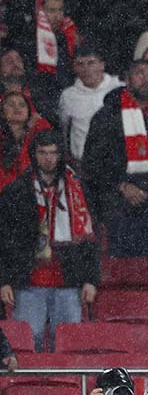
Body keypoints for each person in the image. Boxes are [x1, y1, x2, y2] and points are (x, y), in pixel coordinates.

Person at [0, 131, 98, 351]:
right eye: (42, 152)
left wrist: (90, 279)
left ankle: (70, 387)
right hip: (28, 282)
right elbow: (4, 240)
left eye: (53, 153)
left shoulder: (78, 191)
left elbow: (90, 241)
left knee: (69, 345)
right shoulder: (16, 191)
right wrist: (4, 280)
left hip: (68, 281)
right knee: (26, 344)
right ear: (33, 154)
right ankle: (26, 387)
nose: (48, 158)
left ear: (61, 155)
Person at [81, 59, 148, 258]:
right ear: (127, 79)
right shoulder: (107, 116)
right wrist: (121, 186)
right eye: (140, 73)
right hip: (119, 210)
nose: (146, 79)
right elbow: (92, 164)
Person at [57, 45, 122, 162]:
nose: (86, 69)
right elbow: (64, 130)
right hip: (83, 163)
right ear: (74, 68)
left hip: (116, 161)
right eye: (80, 64)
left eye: (91, 63)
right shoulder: (68, 95)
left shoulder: (119, 87)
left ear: (102, 65)